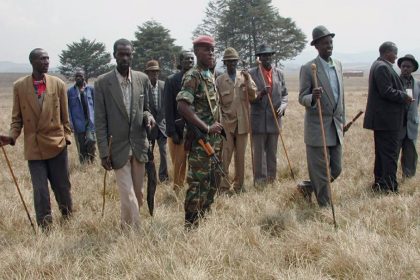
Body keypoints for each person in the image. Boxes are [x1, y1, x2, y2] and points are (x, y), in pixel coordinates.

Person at [0, 48, 73, 230]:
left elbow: (65, 117)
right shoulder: (20, 86)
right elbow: (17, 119)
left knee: (62, 186)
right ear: (32, 62)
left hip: (57, 144)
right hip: (34, 147)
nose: (47, 62)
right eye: (42, 59)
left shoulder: (58, 84)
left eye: (48, 58)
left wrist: (67, 137)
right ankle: (45, 225)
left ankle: (68, 217)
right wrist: (11, 137)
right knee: (40, 190)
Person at [94, 39, 155, 228]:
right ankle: (136, 238)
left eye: (128, 54)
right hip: (117, 147)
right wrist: (104, 153)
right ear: (114, 55)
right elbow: (100, 121)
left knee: (137, 194)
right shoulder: (103, 83)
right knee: (128, 194)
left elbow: (146, 108)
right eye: (121, 54)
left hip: (138, 144)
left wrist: (148, 118)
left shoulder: (142, 79)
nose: (125, 58)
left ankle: (125, 227)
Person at [176, 35, 223, 228]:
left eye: (212, 49)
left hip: (214, 140)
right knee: (197, 184)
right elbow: (182, 106)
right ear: (196, 52)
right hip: (200, 140)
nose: (211, 53)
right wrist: (206, 127)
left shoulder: (209, 74)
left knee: (212, 181)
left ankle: (204, 218)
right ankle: (191, 225)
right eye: (206, 49)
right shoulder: (193, 75)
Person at [298, 26, 345, 206]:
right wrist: (313, 97)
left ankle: (308, 187)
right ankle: (325, 206)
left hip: (335, 126)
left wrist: (343, 123)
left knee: (336, 169)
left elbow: (342, 99)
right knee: (320, 170)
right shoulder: (309, 68)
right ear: (316, 46)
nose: (329, 46)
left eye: (330, 42)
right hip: (317, 127)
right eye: (325, 43)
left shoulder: (338, 65)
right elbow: (302, 97)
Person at [363, 42, 413, 193]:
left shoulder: (378, 65)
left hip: (382, 120)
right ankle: (390, 186)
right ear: (386, 53)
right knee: (390, 154)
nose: (396, 56)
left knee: (382, 153)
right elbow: (386, 91)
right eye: (395, 52)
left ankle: (380, 183)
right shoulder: (383, 67)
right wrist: (403, 96)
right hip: (387, 120)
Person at [216, 47, 257, 194]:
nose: (232, 64)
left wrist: (248, 81)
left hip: (243, 123)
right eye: (229, 62)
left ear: (237, 62)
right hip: (226, 125)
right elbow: (217, 103)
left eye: (234, 61)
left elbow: (254, 96)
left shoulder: (245, 77)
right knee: (225, 156)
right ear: (225, 63)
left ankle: (240, 186)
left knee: (241, 157)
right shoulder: (220, 81)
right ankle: (224, 186)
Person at [249, 43, 288, 184]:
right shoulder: (251, 74)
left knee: (272, 152)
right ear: (259, 57)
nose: (266, 57)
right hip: (258, 120)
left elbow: (285, 95)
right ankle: (260, 180)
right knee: (259, 153)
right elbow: (248, 96)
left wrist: (283, 106)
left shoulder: (280, 73)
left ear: (272, 56)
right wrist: (260, 94)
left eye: (268, 55)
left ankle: (271, 179)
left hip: (275, 119)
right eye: (263, 55)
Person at [164, 51, 195, 192]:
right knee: (179, 163)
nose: (190, 61)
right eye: (187, 59)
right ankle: (177, 191)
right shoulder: (172, 80)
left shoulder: (198, 77)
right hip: (179, 130)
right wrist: (171, 132)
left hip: (196, 130)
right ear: (181, 62)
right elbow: (168, 107)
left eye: (192, 58)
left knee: (195, 163)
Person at [145, 60, 169, 182]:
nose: (154, 74)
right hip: (149, 126)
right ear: (147, 73)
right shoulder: (144, 88)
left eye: (156, 72)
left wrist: (165, 121)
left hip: (162, 126)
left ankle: (163, 176)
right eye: (152, 72)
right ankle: (149, 174)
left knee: (164, 152)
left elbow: (167, 105)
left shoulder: (164, 86)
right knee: (148, 153)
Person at [397, 54, 420, 178]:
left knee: (411, 154)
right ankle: (391, 178)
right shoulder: (395, 81)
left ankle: (408, 179)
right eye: (403, 66)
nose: (405, 68)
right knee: (394, 153)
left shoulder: (417, 84)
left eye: (408, 66)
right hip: (398, 124)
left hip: (412, 124)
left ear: (413, 68)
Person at [67, 69, 96, 164]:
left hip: (90, 121)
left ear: (84, 77)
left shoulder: (91, 89)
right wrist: (70, 122)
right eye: (77, 76)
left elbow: (95, 105)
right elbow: (68, 108)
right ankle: (84, 164)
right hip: (77, 122)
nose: (78, 78)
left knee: (91, 140)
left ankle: (91, 159)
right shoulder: (70, 91)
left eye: (80, 76)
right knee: (81, 145)